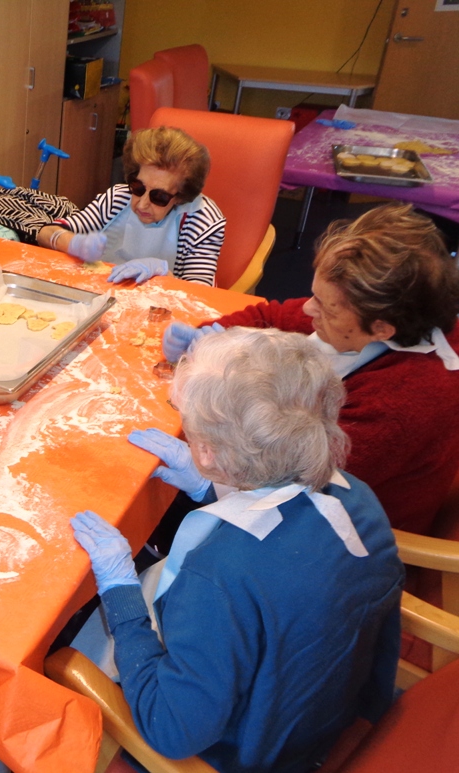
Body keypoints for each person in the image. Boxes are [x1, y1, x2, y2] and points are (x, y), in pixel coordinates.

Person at [73, 327, 404, 773]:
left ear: (207, 452)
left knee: (66, 653)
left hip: (255, 752)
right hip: (331, 708)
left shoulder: (217, 577)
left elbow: (171, 729)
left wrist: (120, 591)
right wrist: (212, 488)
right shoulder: (357, 495)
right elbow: (282, 528)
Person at [163, 203, 459, 534]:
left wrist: (207, 488)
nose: (307, 307)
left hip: (336, 531)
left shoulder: (407, 401)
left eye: (325, 308)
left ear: (382, 329)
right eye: (314, 294)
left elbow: (300, 488)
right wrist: (213, 335)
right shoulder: (362, 309)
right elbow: (270, 317)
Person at [36, 126, 225, 286]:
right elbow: (46, 233)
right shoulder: (118, 198)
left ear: (181, 196)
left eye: (159, 196)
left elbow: (200, 294)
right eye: (138, 187)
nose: (142, 203)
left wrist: (162, 272)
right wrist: (74, 243)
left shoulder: (203, 220)